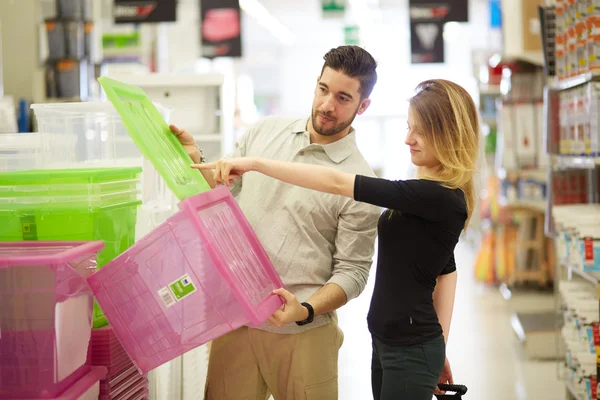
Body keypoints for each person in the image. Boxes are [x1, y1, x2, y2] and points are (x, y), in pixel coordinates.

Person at [193, 79, 480, 400]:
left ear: (449, 134)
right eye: (409, 127)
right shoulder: (427, 195)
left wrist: (256, 163)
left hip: (409, 348)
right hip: (389, 341)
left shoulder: (438, 197)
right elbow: (446, 270)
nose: (408, 139)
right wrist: (440, 348)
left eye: (420, 132)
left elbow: (334, 181)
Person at [171, 45, 381, 399]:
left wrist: (306, 310)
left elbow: (353, 273)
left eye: (344, 98)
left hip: (304, 335)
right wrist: (195, 160)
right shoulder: (264, 134)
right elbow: (222, 193)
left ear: (363, 106)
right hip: (236, 321)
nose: (328, 105)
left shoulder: (358, 180)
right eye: (323, 89)